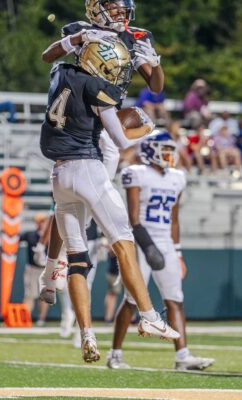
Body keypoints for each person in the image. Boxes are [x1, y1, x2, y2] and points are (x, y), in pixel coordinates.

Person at [39, 38, 179, 363]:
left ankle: (85, 332)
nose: (117, 73)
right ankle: (149, 315)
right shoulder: (98, 89)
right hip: (88, 169)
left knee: (78, 259)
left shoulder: (60, 73)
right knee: (123, 242)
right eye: (112, 67)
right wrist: (146, 129)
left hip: (60, 173)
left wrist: (74, 41)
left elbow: (53, 56)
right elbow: (119, 137)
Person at [106, 133, 214, 371]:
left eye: (170, 149)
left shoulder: (177, 177)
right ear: (149, 150)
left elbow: (174, 219)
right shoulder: (136, 173)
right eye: (163, 149)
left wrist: (178, 251)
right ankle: (115, 354)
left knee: (175, 299)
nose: (169, 154)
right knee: (132, 300)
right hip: (140, 241)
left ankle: (182, 356)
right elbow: (134, 218)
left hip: (166, 241)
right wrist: (148, 247)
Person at [20, 213, 50, 325]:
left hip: (46, 269)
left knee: (44, 296)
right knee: (29, 295)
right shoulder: (30, 234)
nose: (42, 224)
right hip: (32, 268)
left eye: (43, 221)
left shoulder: (51, 235)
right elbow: (15, 239)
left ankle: (41, 319)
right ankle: (24, 319)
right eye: (40, 221)